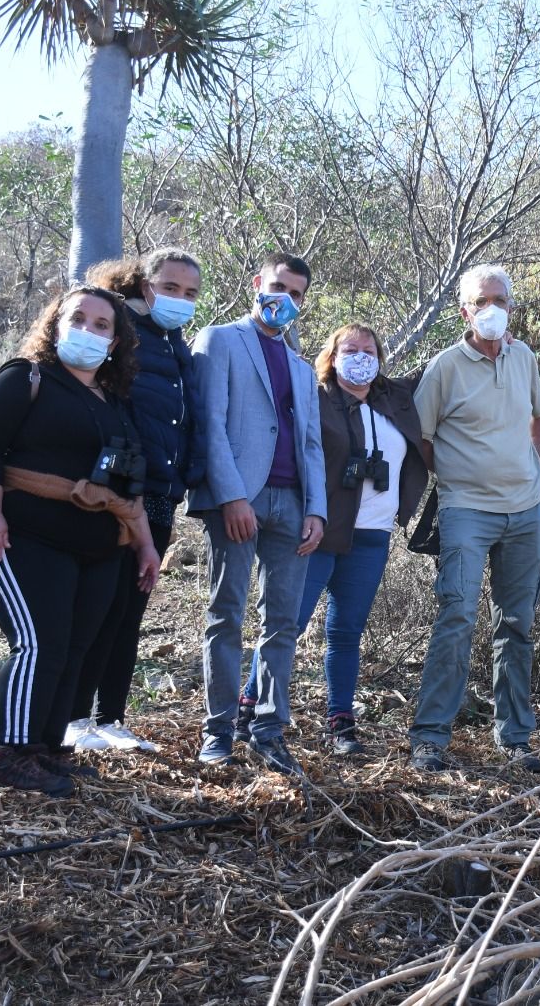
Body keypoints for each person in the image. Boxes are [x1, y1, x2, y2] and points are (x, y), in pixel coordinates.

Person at [0, 286, 160, 796]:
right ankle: (11, 751)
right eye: (78, 318)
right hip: (23, 535)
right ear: (55, 323)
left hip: (95, 547)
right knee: (38, 642)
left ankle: (47, 749)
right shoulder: (25, 377)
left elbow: (125, 483)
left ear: (115, 342)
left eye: (101, 325)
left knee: (75, 647)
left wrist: (143, 544)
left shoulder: (113, 401)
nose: (88, 331)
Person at [236, 323, 428, 755]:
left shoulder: (393, 400)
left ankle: (341, 722)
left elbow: (437, 371)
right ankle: (249, 707)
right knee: (288, 624)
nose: (360, 357)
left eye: (368, 349)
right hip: (318, 531)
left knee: (346, 632)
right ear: (333, 355)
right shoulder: (315, 397)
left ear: (380, 356)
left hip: (372, 536)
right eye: (350, 349)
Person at [188, 252, 326, 775]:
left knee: (283, 622)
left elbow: (311, 443)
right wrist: (231, 496)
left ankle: (268, 730)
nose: (283, 299)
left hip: (293, 503)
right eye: (277, 286)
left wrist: (316, 510)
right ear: (257, 284)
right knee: (226, 613)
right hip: (239, 500)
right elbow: (210, 423)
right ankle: (217, 732)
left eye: (295, 293)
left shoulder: (300, 365)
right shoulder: (220, 340)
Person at [408, 264, 540, 772]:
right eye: (481, 300)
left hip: (527, 511)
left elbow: (538, 417)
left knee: (517, 625)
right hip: (466, 510)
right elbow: (420, 435)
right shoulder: (445, 366)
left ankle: (515, 737)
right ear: (464, 309)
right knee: (457, 617)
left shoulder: (525, 356)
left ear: (512, 305)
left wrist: (535, 474)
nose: (492, 308)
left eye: (501, 300)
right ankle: (429, 737)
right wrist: (455, 476)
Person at [64, 248, 204, 753]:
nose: (179, 299)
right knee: (97, 606)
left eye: (190, 293)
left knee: (130, 610)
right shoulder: (118, 335)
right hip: (115, 494)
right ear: (146, 287)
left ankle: (112, 719)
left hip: (161, 495)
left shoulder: (178, 344)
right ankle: (75, 717)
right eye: (170, 288)